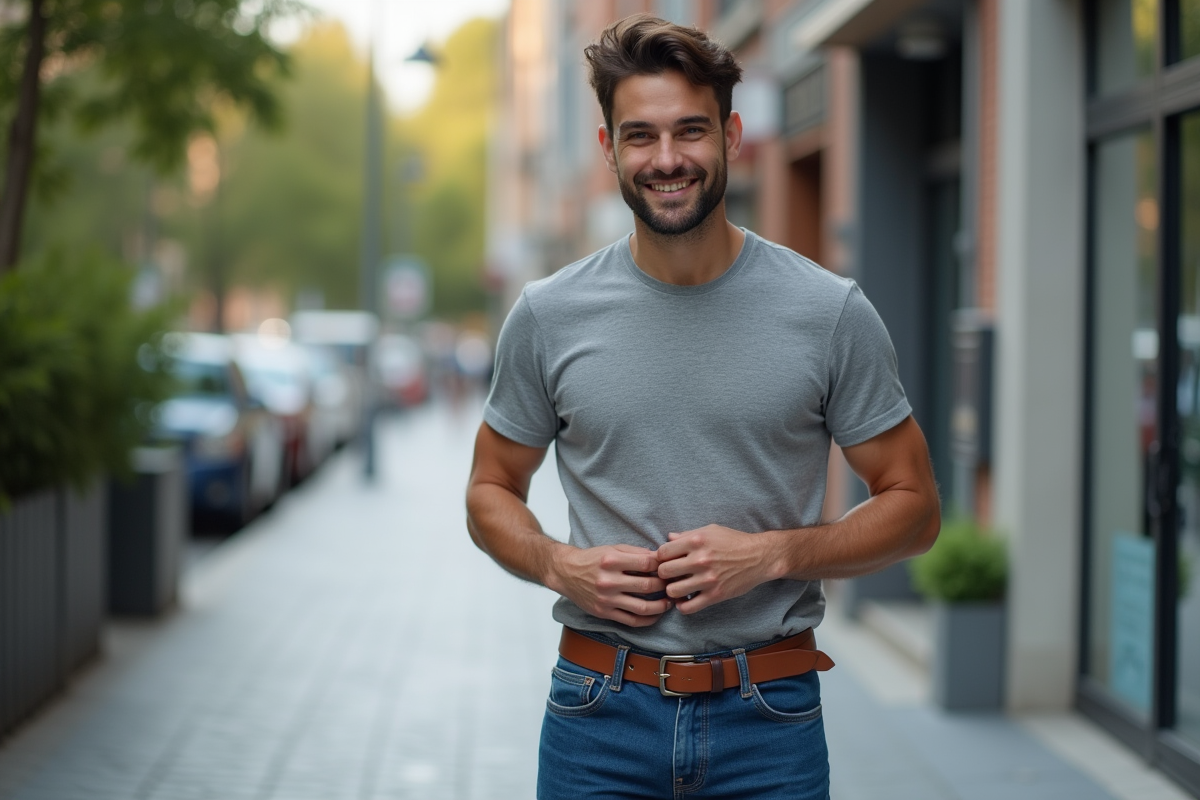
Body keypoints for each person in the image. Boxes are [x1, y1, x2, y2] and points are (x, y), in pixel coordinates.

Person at [465, 14, 941, 799]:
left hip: (769, 717)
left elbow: (915, 507)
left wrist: (777, 553)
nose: (667, 159)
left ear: (732, 135)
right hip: (598, 715)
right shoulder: (548, 316)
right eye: (641, 136)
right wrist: (560, 564)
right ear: (608, 149)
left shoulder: (828, 312)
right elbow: (489, 489)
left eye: (690, 131)